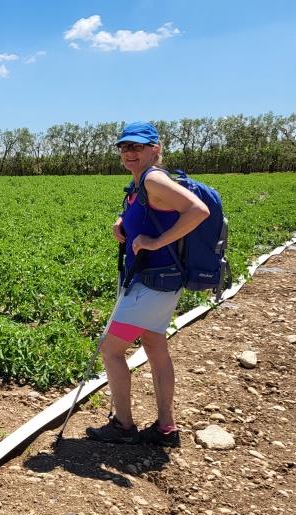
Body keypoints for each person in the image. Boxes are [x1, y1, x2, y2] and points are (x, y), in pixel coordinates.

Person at [85, 121, 209, 448]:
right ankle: (166, 428)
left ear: (155, 149)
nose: (129, 152)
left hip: (152, 284)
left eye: (137, 147)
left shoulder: (153, 179)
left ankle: (123, 425)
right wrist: (122, 223)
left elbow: (198, 211)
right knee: (155, 348)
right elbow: (148, 214)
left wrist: (155, 243)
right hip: (161, 281)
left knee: (110, 349)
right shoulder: (140, 182)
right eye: (124, 147)